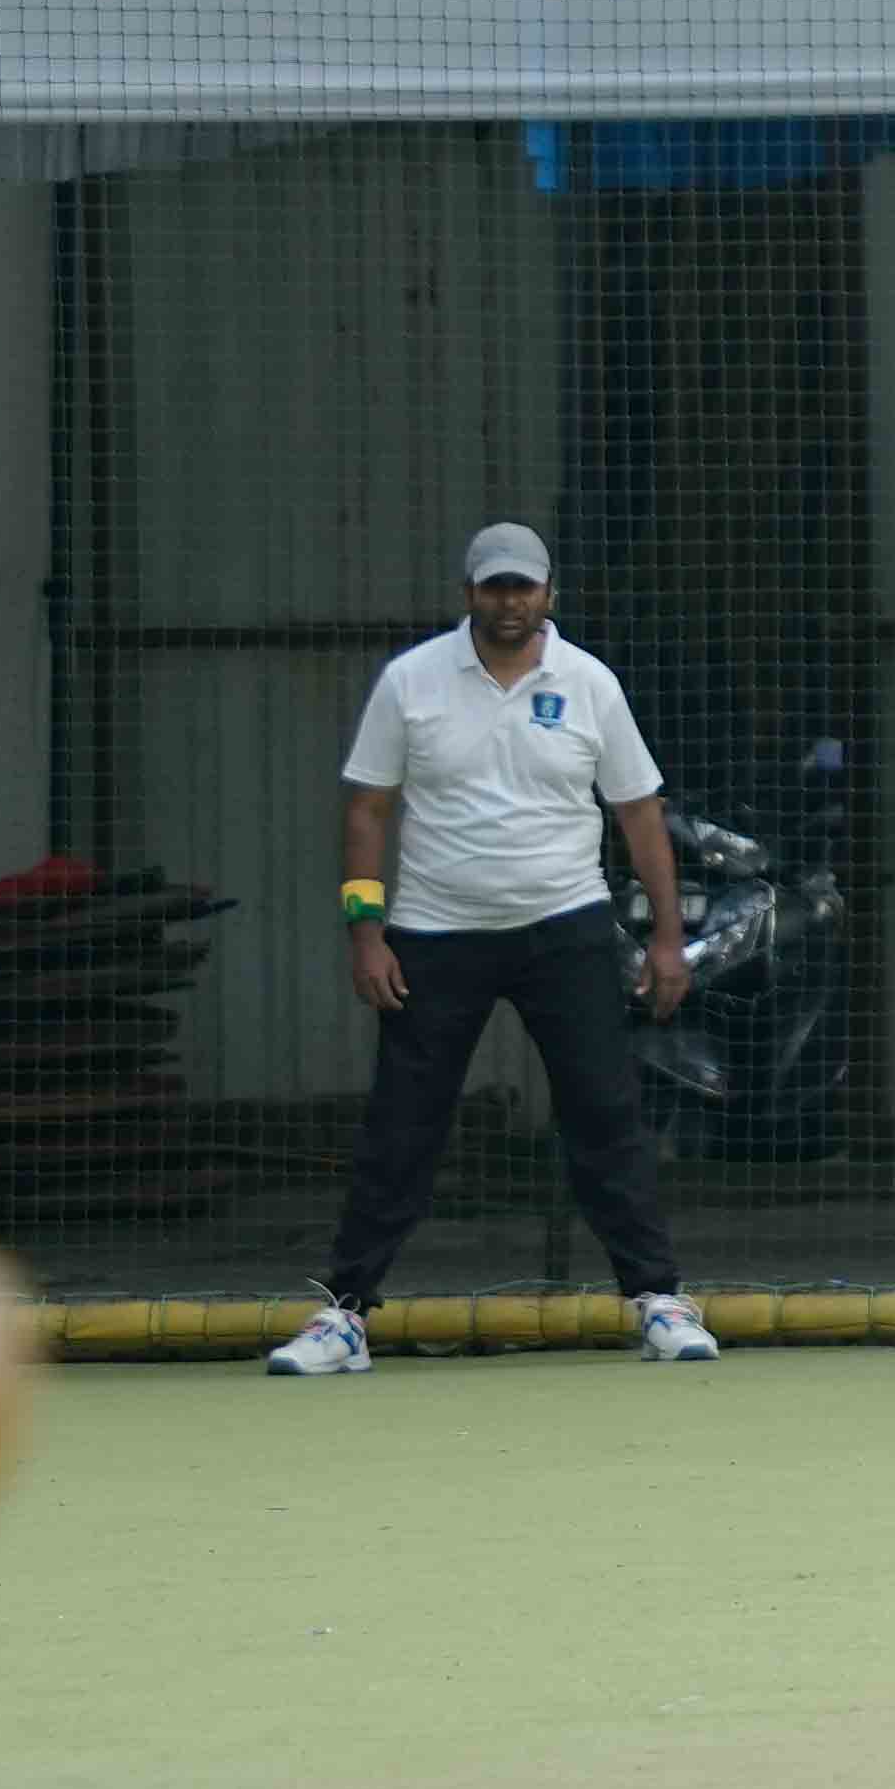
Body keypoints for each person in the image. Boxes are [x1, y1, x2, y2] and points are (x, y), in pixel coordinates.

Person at [266, 521, 712, 1375]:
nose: (510, 603)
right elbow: (367, 809)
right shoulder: (411, 681)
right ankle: (345, 1317)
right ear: (469, 592)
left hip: (568, 926)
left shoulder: (589, 683)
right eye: (494, 587)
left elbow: (639, 813)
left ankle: (657, 1299)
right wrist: (367, 933)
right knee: (402, 1125)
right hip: (435, 932)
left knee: (605, 1114)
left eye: (525, 588)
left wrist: (666, 939)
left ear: (550, 594)